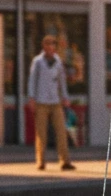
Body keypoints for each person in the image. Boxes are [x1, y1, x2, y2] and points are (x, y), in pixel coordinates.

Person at [27, 35, 75, 171]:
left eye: (53, 45)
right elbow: (32, 80)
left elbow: (62, 81)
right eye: (48, 45)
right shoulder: (38, 61)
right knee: (41, 132)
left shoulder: (58, 62)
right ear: (44, 47)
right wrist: (32, 97)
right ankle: (40, 161)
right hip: (41, 101)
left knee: (61, 131)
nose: (51, 48)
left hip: (55, 101)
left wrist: (65, 97)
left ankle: (64, 160)